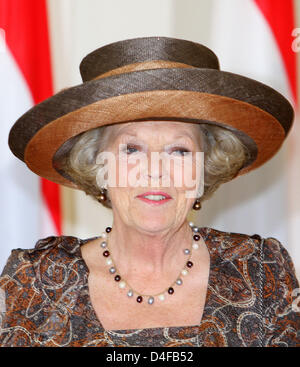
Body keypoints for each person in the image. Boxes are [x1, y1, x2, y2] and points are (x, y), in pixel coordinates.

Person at [1, 37, 299, 347]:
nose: (156, 171)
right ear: (98, 167)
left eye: (179, 151)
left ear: (204, 169)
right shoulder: (37, 281)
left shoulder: (262, 271)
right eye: (132, 149)